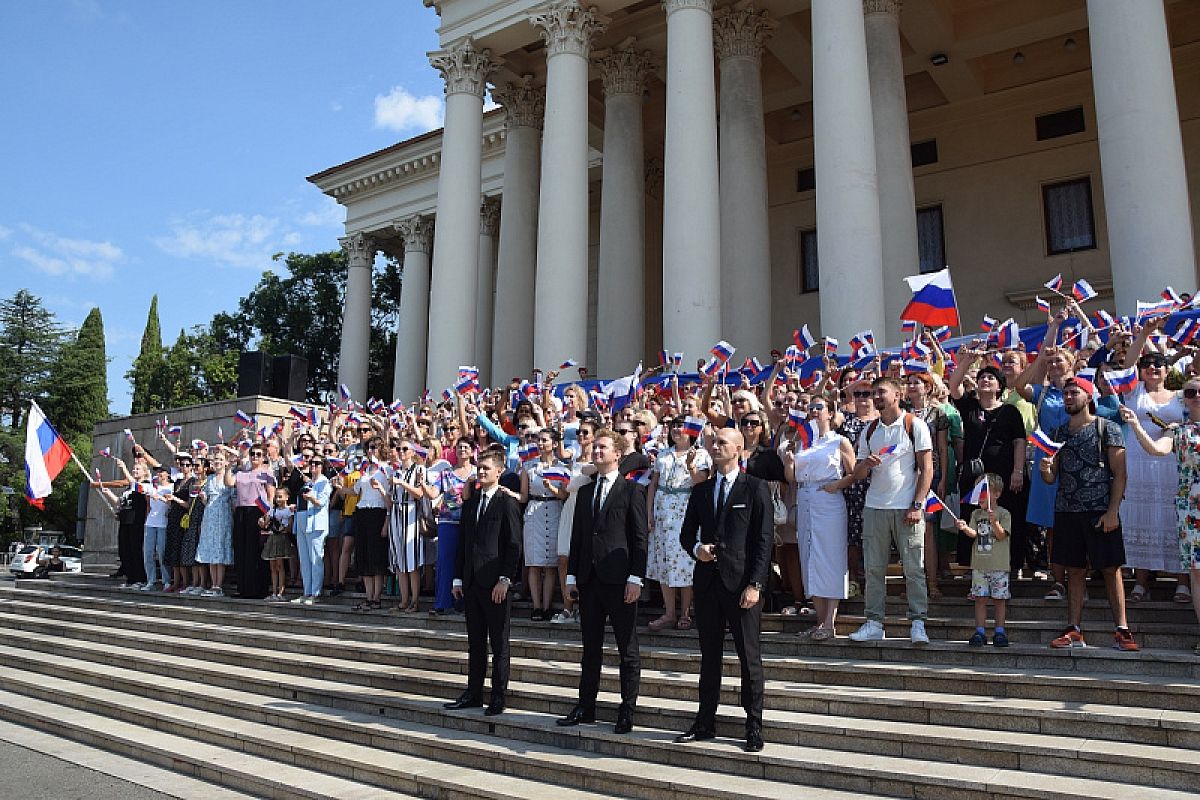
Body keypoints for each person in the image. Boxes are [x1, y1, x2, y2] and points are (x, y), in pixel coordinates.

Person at [676, 427, 773, 752]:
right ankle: (705, 721)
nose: (715, 447)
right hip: (707, 584)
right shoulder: (702, 490)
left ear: (739, 448)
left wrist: (756, 584)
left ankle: (753, 726)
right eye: (712, 442)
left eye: (722, 443)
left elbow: (763, 541)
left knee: (749, 658)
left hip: (742, 585)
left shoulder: (755, 488)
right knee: (709, 657)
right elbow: (687, 534)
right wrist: (696, 550)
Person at [558, 428, 648, 735]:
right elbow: (579, 537)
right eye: (594, 447)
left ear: (617, 454)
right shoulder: (584, 490)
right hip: (589, 580)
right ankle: (586, 706)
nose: (596, 451)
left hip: (620, 580)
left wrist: (636, 577)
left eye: (603, 447)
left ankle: (627, 710)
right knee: (590, 649)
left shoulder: (631, 490)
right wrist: (571, 577)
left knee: (627, 649)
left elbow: (639, 539)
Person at [1041, 377, 1137, 651]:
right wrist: (1044, 468)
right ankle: (1074, 629)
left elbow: (1120, 474)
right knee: (1073, 570)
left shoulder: (1107, 428)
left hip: (1100, 509)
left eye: (1074, 393)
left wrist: (1113, 511)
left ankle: (1122, 628)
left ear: (1088, 396)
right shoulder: (1058, 433)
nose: (1068, 397)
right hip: (1067, 510)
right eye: (1065, 394)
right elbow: (1051, 478)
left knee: (1110, 569)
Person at [847, 376, 934, 645]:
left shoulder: (914, 425)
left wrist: (917, 505)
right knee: (873, 569)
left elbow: (927, 468)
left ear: (897, 395)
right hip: (875, 506)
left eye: (881, 392)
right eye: (874, 393)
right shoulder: (870, 430)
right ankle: (874, 621)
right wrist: (867, 466)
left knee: (913, 568)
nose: (876, 397)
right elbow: (858, 473)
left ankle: (918, 621)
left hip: (906, 506)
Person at [1121, 376, 1200, 654]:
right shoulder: (1178, 430)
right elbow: (1156, 450)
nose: (1197, 395)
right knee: (1197, 574)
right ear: (1184, 398)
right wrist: (1134, 425)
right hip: (1191, 510)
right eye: (1191, 391)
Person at [444, 450, 523, 716]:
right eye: (479, 468)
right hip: (471, 581)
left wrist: (505, 579)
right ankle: (473, 692)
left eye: (487, 468)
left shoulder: (507, 502)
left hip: (496, 583)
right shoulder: (472, 501)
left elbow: (514, 545)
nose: (481, 472)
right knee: (475, 642)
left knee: (499, 643)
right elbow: (463, 543)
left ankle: (498, 696)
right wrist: (457, 577)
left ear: (499, 471)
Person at [785, 396, 854, 641]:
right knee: (809, 557)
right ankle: (818, 620)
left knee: (830, 556)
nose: (814, 411)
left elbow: (854, 473)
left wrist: (836, 486)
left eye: (819, 408)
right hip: (805, 497)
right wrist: (790, 462)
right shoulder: (802, 442)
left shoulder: (839, 441)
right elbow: (791, 477)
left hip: (828, 498)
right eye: (810, 408)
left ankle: (829, 621)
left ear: (829, 412)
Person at [646, 416, 711, 631]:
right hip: (663, 511)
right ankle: (669, 613)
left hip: (686, 509)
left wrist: (692, 466)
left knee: (685, 562)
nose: (676, 430)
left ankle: (685, 612)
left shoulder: (701, 454)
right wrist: (649, 514)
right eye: (673, 426)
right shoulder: (663, 454)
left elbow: (701, 482)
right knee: (664, 561)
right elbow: (653, 485)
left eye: (681, 427)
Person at [955, 473, 1012, 647]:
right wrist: (965, 528)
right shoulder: (976, 514)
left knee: (999, 599)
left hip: (999, 565)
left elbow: (1002, 535)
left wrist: (995, 522)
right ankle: (980, 631)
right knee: (980, 599)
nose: (979, 496)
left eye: (983, 491)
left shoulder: (1004, 513)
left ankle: (999, 631)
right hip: (980, 564)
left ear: (996, 494)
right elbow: (974, 533)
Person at [520, 427, 570, 620]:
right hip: (535, 511)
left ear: (554, 443)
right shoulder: (529, 466)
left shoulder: (562, 467)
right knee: (534, 563)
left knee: (550, 564)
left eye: (545, 440)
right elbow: (524, 496)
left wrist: (552, 488)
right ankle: (536, 606)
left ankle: (547, 606)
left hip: (555, 509)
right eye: (539, 440)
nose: (541, 444)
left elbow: (565, 494)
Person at [429, 439, 476, 615]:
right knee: (445, 561)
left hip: (471, 522)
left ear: (472, 451)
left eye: (466, 447)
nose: (462, 450)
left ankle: (466, 603)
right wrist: (423, 486)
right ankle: (442, 602)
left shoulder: (478, 472)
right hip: (448, 522)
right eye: (459, 447)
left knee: (468, 561)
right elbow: (434, 492)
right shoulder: (446, 473)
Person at [386, 439, 427, 613]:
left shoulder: (418, 469)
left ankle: (415, 600)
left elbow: (419, 494)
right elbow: (390, 498)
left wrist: (402, 483)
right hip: (396, 513)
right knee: (399, 561)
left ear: (412, 452)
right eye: (399, 448)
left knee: (411, 559)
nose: (401, 451)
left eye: (405, 449)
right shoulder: (395, 471)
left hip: (410, 514)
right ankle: (404, 600)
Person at [231, 445, 277, 599]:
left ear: (264, 456)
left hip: (258, 510)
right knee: (241, 549)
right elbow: (228, 482)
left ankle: (258, 589)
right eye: (253, 454)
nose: (255, 457)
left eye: (259, 454)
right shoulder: (242, 473)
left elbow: (270, 497)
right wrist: (228, 465)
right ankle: (243, 587)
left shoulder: (267, 474)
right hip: (241, 510)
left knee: (255, 550)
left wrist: (267, 515)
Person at [292, 454, 332, 604]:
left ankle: (315, 593)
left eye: (317, 463)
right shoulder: (307, 482)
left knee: (316, 558)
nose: (313, 465)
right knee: (304, 558)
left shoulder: (324, 483)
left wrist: (311, 498)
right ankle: (306, 591)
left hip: (315, 523)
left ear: (322, 466)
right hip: (302, 520)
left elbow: (321, 502)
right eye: (311, 463)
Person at [195, 452, 236, 597]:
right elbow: (206, 500)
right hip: (210, 514)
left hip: (223, 515)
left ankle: (219, 585)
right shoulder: (209, 479)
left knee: (220, 548)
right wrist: (202, 497)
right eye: (216, 459)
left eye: (220, 459)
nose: (217, 461)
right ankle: (213, 584)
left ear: (225, 462)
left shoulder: (229, 477)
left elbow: (233, 500)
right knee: (211, 549)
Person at [261, 488, 294, 601]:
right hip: (272, 538)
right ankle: (274, 592)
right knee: (273, 566)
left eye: (280, 496)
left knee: (280, 565)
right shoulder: (272, 510)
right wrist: (262, 521)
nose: (278, 499)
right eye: (277, 497)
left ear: (286, 497)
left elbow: (290, 526)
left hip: (282, 538)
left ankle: (281, 592)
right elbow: (265, 524)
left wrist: (283, 528)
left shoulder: (289, 510)